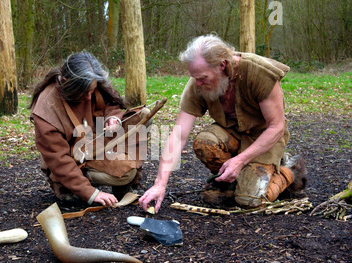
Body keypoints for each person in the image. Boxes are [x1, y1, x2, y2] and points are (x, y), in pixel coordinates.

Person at [139, 34, 307, 213]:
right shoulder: (198, 82)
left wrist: (240, 160)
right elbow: (178, 135)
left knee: (249, 200)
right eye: (195, 77)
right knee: (205, 142)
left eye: (203, 77)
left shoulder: (259, 73)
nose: (198, 83)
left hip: (264, 137)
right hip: (231, 134)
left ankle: (289, 170)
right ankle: (233, 182)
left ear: (222, 65)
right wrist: (160, 184)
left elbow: (277, 127)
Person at [29, 52, 148, 207]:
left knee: (142, 116)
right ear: (68, 84)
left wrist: (113, 117)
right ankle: (66, 187)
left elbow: (111, 103)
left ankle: (123, 185)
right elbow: (59, 160)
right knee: (126, 174)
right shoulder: (46, 110)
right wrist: (91, 193)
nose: (89, 97)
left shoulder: (90, 84)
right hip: (74, 159)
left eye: (92, 91)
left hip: (95, 144)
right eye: (85, 93)